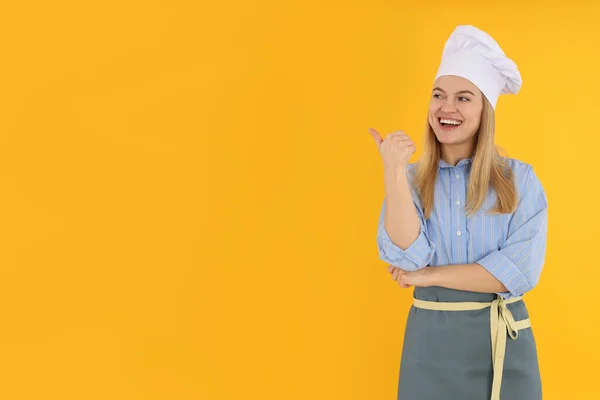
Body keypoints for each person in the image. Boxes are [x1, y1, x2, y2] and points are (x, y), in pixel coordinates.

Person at [368, 25, 548, 400]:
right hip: (429, 347)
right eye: (438, 95)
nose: (446, 108)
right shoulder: (413, 180)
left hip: (503, 344)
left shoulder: (521, 181)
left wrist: (430, 276)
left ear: (486, 111)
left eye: (464, 98)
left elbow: (517, 271)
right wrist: (393, 172)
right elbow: (405, 255)